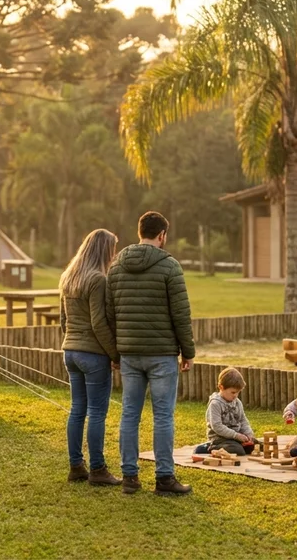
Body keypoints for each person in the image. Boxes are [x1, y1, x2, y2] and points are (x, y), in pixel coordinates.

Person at [108, 211, 195, 496]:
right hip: (161, 353)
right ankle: (164, 478)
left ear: (139, 232)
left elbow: (111, 313)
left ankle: (130, 477)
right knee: (163, 416)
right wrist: (188, 352)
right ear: (162, 235)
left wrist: (114, 351)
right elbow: (181, 314)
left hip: (129, 353)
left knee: (130, 414)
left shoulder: (117, 264)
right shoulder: (170, 266)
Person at [59, 229, 122, 487]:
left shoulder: (68, 277)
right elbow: (98, 323)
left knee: (77, 410)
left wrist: (72, 341)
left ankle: (76, 466)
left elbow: (63, 321)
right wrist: (114, 354)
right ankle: (97, 470)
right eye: (113, 249)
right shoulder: (98, 280)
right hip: (93, 356)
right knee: (97, 412)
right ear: (103, 251)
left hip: (70, 352)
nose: (115, 254)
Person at [195, 367, 255, 456]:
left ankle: (238, 445)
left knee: (255, 445)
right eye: (233, 392)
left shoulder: (237, 402)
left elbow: (242, 420)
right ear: (221, 387)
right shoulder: (215, 404)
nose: (236, 395)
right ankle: (211, 447)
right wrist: (236, 436)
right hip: (220, 438)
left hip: (235, 437)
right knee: (238, 450)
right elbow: (217, 426)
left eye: (238, 392)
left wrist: (248, 433)